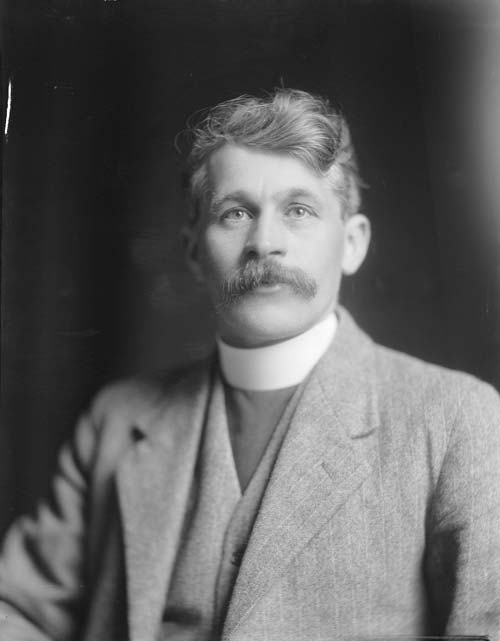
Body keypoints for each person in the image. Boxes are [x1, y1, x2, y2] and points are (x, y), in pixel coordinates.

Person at [0, 88, 499, 641]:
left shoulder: (459, 420)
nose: (265, 242)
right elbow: (16, 612)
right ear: (193, 250)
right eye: (235, 212)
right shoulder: (116, 420)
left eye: (299, 211)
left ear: (353, 244)